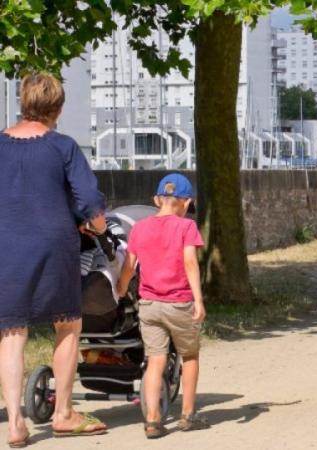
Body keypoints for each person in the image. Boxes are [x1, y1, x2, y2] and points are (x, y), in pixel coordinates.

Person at [0, 73, 108, 446]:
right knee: (68, 325)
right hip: (54, 245)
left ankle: (15, 422)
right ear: (57, 108)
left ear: (22, 101)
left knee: (12, 332)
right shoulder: (63, 147)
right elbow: (90, 200)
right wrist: (97, 224)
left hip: (5, 246)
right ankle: (63, 412)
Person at [117, 173, 209, 439]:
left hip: (149, 304)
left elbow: (129, 265)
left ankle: (153, 420)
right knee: (189, 356)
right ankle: (188, 416)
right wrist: (199, 300)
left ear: (156, 199)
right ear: (187, 202)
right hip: (179, 303)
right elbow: (190, 262)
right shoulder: (186, 227)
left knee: (155, 360)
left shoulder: (140, 228)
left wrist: (122, 288)